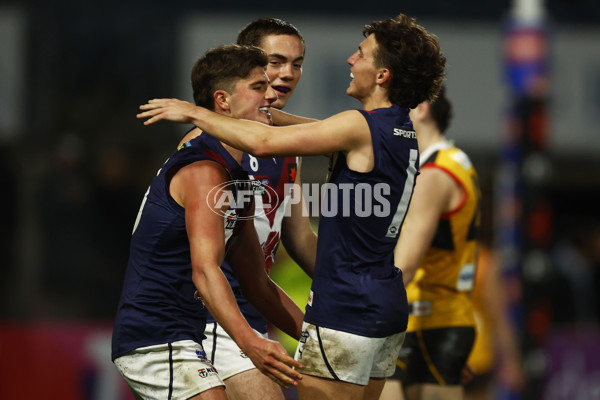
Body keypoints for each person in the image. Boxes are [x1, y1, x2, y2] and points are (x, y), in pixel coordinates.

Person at [137, 14, 446, 400]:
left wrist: (197, 110)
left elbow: (268, 143)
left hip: (341, 304)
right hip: (365, 301)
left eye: (296, 64)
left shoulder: (334, 134)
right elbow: (295, 233)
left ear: (382, 75)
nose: (350, 60)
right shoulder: (399, 132)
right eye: (274, 63)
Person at [111, 44, 305, 400]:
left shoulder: (239, 180)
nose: (271, 95)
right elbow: (205, 271)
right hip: (154, 333)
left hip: (188, 331)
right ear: (223, 100)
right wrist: (252, 344)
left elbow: (256, 283)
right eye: (258, 87)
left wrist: (314, 338)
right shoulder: (203, 170)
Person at [176, 18, 318, 400]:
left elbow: (301, 237)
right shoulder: (208, 144)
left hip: (252, 310)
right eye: (275, 62)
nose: (287, 73)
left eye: (297, 63)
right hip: (207, 314)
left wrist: (351, 288)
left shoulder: (285, 146)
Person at [378, 86, 481, 400]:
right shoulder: (458, 162)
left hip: (426, 319)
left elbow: (405, 265)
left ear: (421, 108)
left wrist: (362, 314)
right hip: (446, 317)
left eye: (396, 109)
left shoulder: (434, 174)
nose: (386, 119)